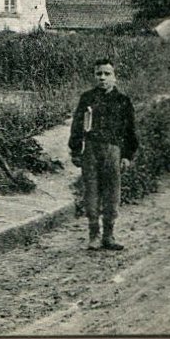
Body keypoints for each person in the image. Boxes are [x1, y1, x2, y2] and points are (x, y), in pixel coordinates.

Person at [68, 58, 138, 251]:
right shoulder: (87, 98)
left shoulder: (123, 101)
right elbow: (77, 126)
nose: (102, 78)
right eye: (99, 74)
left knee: (112, 193)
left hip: (113, 151)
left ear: (115, 77)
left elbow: (130, 131)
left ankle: (109, 235)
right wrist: (75, 150)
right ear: (94, 76)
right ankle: (94, 235)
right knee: (91, 191)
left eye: (107, 74)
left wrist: (127, 155)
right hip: (91, 149)